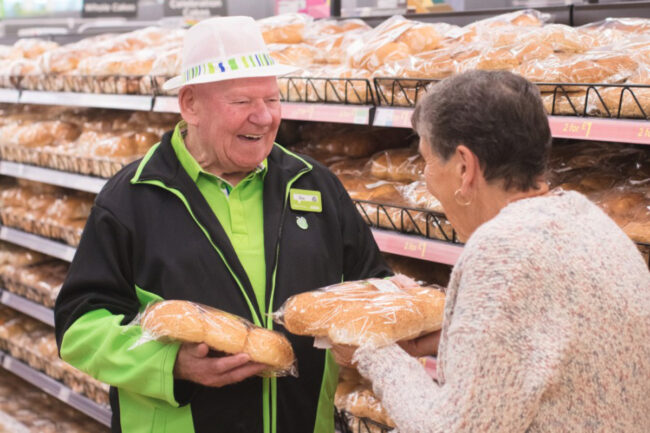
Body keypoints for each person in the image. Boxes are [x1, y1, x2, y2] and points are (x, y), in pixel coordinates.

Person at [54, 16, 390, 433]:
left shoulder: (314, 185)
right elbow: (79, 326)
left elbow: (373, 288)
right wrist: (170, 363)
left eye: (272, 99)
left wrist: (387, 309)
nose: (264, 118)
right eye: (242, 102)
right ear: (190, 104)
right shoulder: (132, 197)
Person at [332, 70, 650, 433]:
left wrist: (372, 352)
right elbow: (552, 346)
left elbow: (453, 429)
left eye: (428, 161)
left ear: (465, 166)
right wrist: (450, 331)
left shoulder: (503, 250)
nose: (425, 178)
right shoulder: (588, 219)